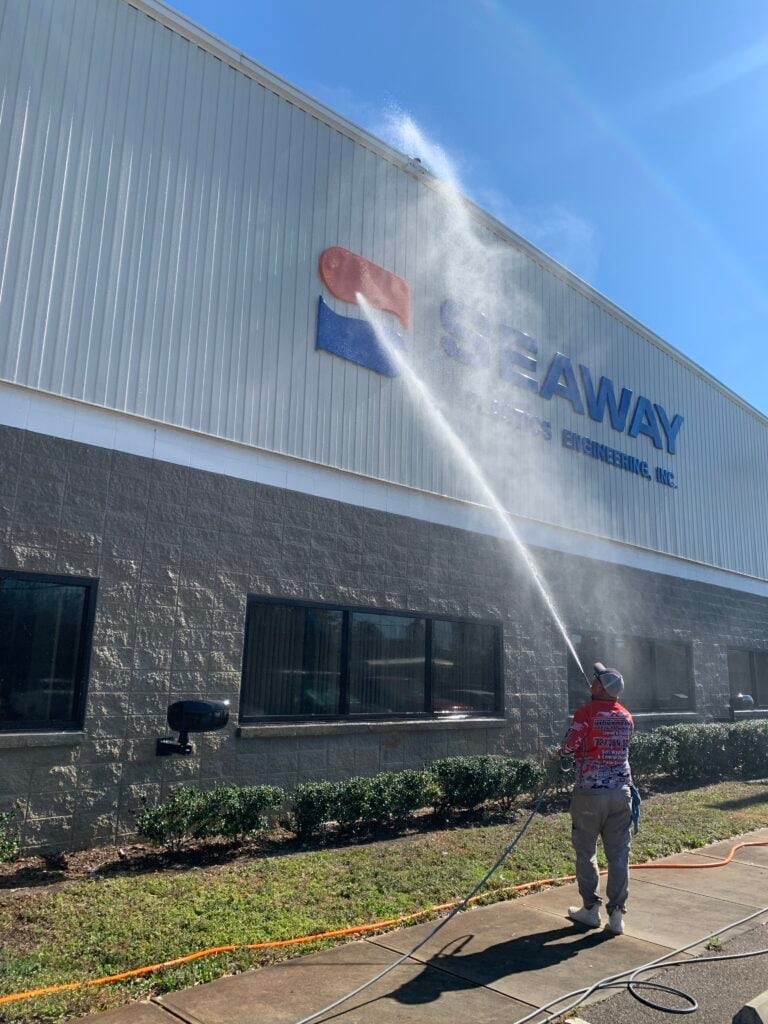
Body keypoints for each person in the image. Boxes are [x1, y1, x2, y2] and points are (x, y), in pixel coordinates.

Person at [560, 661, 634, 936]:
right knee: (619, 854)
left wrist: (559, 752)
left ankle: (590, 910)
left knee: (586, 851)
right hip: (621, 794)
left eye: (596, 680)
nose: (591, 681)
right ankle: (617, 916)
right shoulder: (626, 716)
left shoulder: (585, 714)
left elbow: (569, 746)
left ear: (600, 688)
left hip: (590, 794)